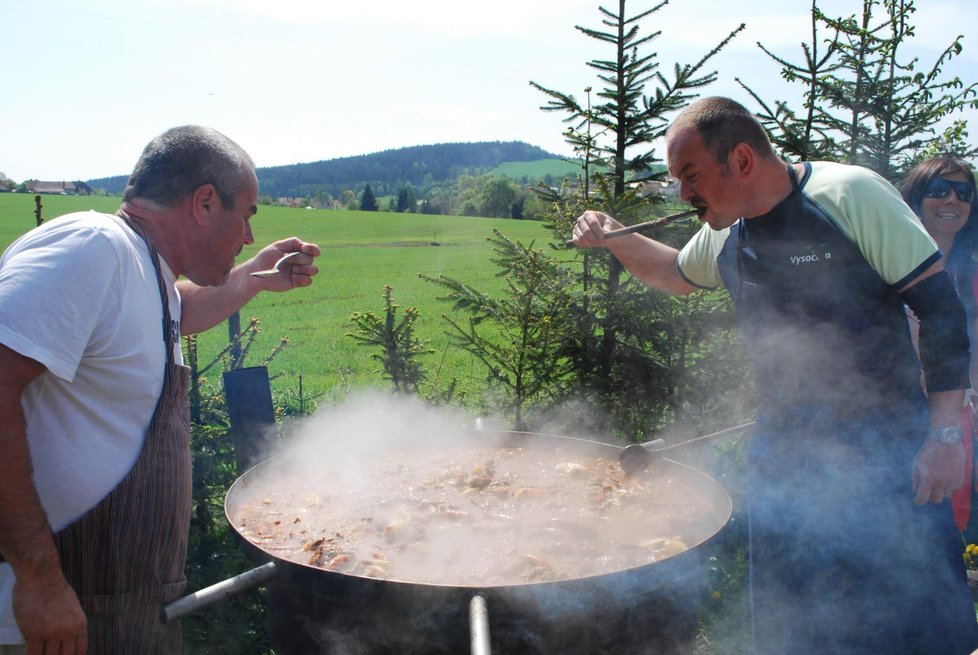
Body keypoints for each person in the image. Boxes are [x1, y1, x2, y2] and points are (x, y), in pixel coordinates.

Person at [569, 97, 978, 654]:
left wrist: (945, 435)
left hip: (890, 453)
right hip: (787, 459)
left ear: (741, 160)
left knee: (916, 628)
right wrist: (614, 234)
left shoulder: (848, 194)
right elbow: (672, 272)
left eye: (690, 176)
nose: (683, 194)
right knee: (796, 631)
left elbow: (942, 311)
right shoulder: (725, 229)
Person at [0, 125, 321, 655]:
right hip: (45, 617)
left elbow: (174, 312)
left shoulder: (145, 273)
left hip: (113, 605)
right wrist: (40, 582)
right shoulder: (94, 247)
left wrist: (249, 278)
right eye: (246, 215)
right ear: (203, 203)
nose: (246, 235)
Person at [900, 156, 978, 532]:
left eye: (964, 192)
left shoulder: (973, 277)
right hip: (891, 422)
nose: (952, 199)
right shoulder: (884, 266)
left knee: (943, 536)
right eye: (938, 189)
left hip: (955, 427)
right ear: (916, 198)